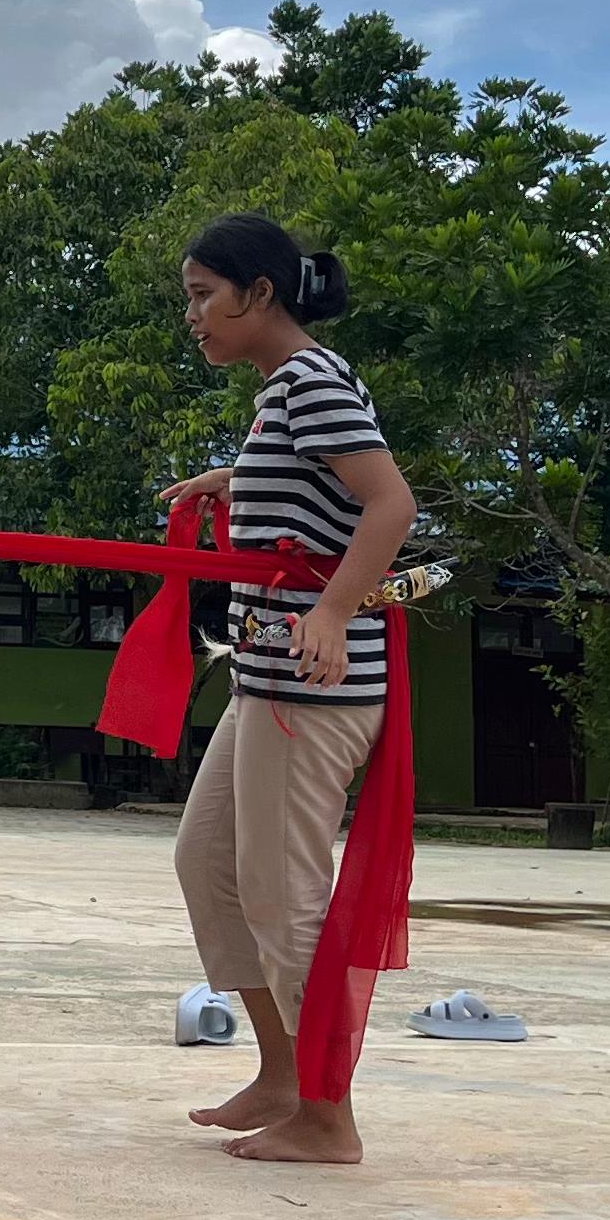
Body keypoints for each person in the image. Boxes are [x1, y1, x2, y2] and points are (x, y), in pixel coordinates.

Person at [161, 211, 416, 1168]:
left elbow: (391, 501)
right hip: (266, 674)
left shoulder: (309, 380)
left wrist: (334, 613)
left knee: (282, 891)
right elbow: (325, 486)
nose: (194, 317)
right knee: (209, 863)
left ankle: (327, 1114)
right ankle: (281, 1073)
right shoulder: (284, 394)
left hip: (313, 684)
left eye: (203, 297)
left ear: (258, 294)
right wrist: (233, 479)